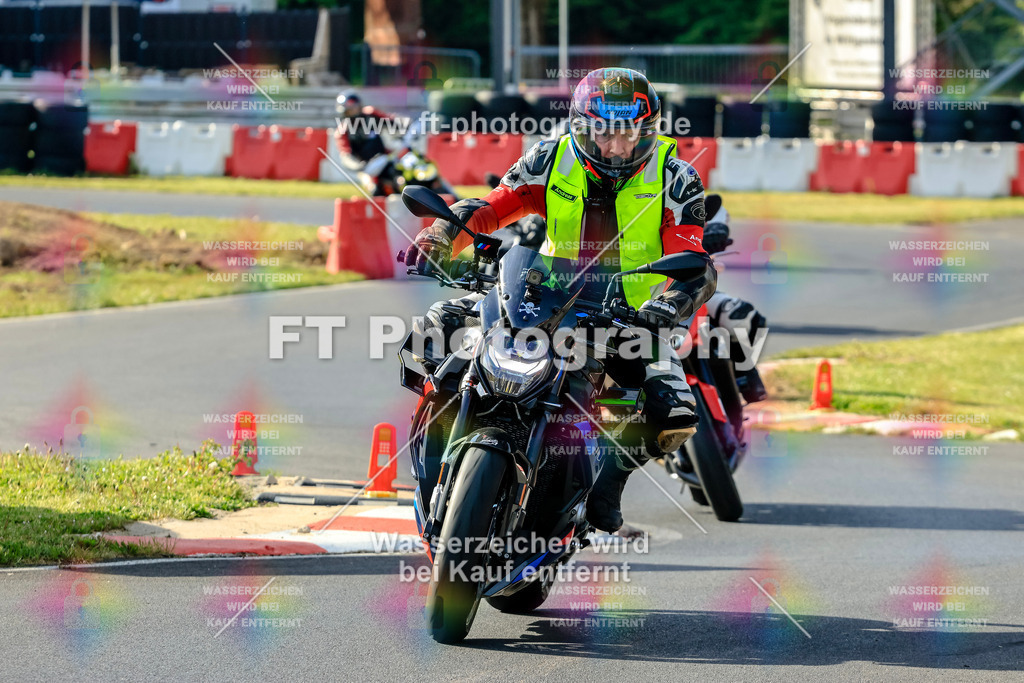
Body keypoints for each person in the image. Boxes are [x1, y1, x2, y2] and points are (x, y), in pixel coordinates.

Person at [406, 68, 761, 532]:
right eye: (603, 133)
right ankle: (432, 454)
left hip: (628, 316)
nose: (616, 147)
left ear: (648, 129)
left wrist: (668, 306)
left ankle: (607, 483)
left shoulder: (677, 178)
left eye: (629, 134)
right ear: (581, 126)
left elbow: (694, 261)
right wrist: (441, 233)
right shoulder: (550, 157)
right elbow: (492, 206)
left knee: (673, 409)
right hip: (539, 295)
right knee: (432, 328)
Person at [333, 89, 395, 193]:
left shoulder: (370, 113)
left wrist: (402, 125)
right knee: (374, 189)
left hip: (385, 157)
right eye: (349, 110)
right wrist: (359, 166)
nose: (353, 112)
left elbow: (391, 122)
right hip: (368, 167)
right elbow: (346, 156)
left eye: (354, 108)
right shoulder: (342, 131)